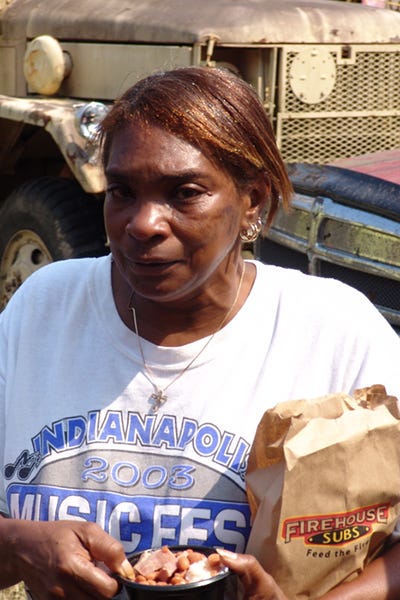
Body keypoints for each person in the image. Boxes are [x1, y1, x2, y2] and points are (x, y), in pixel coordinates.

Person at [0, 65, 400, 600]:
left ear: (253, 199)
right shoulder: (43, 309)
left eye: (184, 192)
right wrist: (14, 544)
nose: (143, 223)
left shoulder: (334, 333)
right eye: (121, 190)